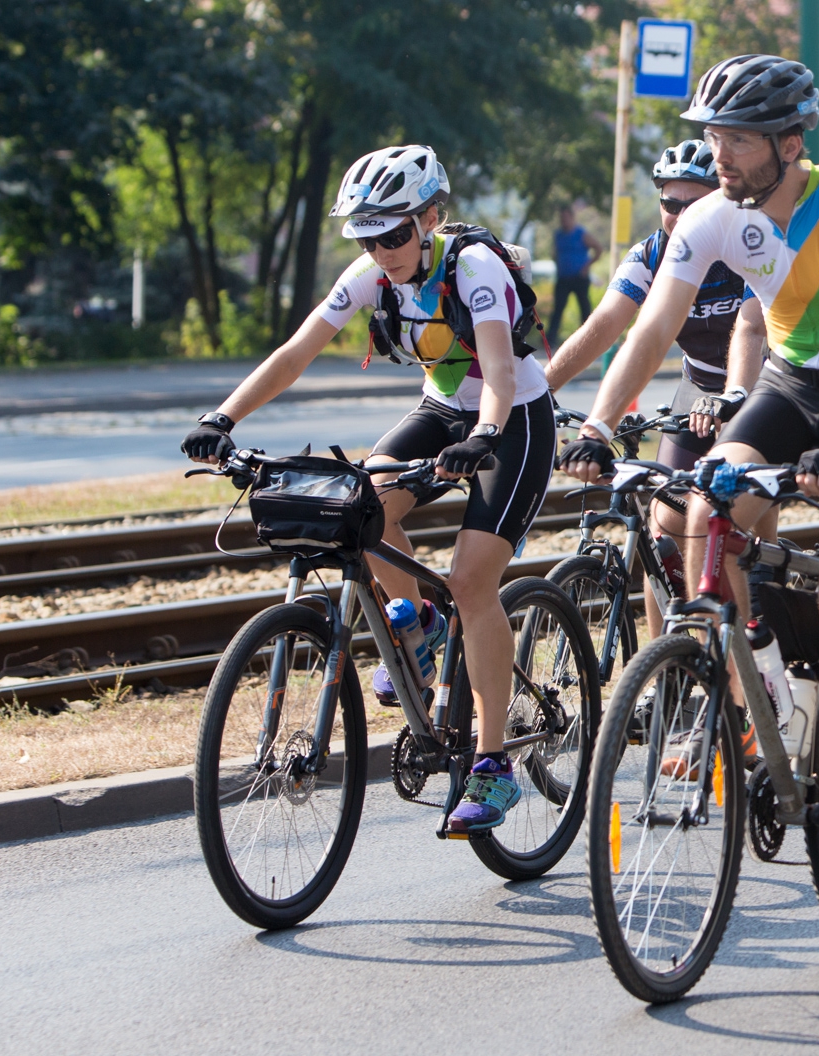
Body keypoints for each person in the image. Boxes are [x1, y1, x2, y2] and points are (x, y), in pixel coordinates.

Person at [558, 54, 819, 885]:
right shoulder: (712, 217)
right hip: (790, 383)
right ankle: (755, 658)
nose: (720, 153)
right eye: (712, 135)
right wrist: (596, 426)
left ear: (790, 142)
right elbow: (651, 331)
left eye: (738, 138)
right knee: (706, 507)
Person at [180, 144, 557, 834]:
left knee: (474, 578)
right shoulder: (370, 275)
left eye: (393, 234)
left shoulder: (472, 268)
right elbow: (296, 351)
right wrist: (223, 415)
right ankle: (421, 624)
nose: (382, 251)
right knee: (362, 505)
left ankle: (495, 763)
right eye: (367, 237)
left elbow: (501, 372)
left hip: (515, 420)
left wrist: (484, 436)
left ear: (429, 219)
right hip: (443, 409)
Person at [543, 139, 772, 641]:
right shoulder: (650, 255)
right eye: (670, 203)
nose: (680, 214)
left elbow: (751, 335)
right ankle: (662, 666)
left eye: (694, 203)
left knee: (746, 529)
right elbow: (606, 325)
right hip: (697, 387)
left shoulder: (749, 246)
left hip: (759, 384)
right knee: (662, 526)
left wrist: (732, 398)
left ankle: (763, 639)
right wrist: (538, 391)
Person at [549, 205, 602, 348]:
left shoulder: (581, 234)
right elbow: (555, 253)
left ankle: (589, 338)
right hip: (563, 278)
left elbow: (598, 248)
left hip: (579, 277)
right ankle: (550, 340)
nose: (564, 221)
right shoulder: (558, 235)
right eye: (562, 218)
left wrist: (587, 266)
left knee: (584, 307)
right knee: (558, 309)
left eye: (566, 217)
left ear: (572, 218)